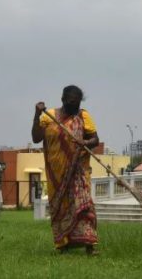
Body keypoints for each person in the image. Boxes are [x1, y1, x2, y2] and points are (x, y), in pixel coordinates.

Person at [32, 85, 100, 255]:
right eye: (71, 103)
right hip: (56, 174)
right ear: (62, 100)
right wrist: (37, 114)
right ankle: (63, 245)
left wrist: (85, 143)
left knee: (83, 205)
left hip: (78, 170)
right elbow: (36, 138)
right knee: (61, 208)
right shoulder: (50, 117)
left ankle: (89, 246)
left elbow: (95, 139)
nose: (74, 107)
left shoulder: (83, 116)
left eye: (77, 103)